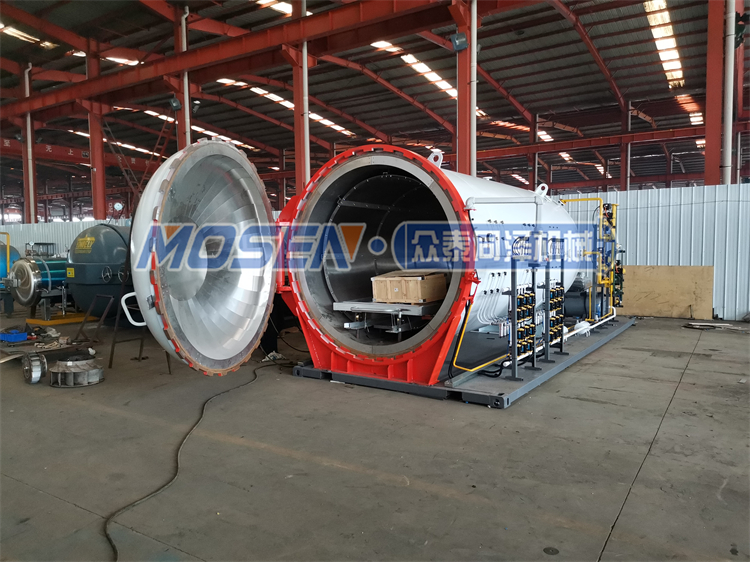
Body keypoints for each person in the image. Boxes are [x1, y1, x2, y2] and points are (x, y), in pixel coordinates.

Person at [260, 293, 292, 362]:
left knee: (279, 322)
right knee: (271, 322)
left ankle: (265, 345)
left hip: (277, 293)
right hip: (267, 294)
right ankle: (270, 350)